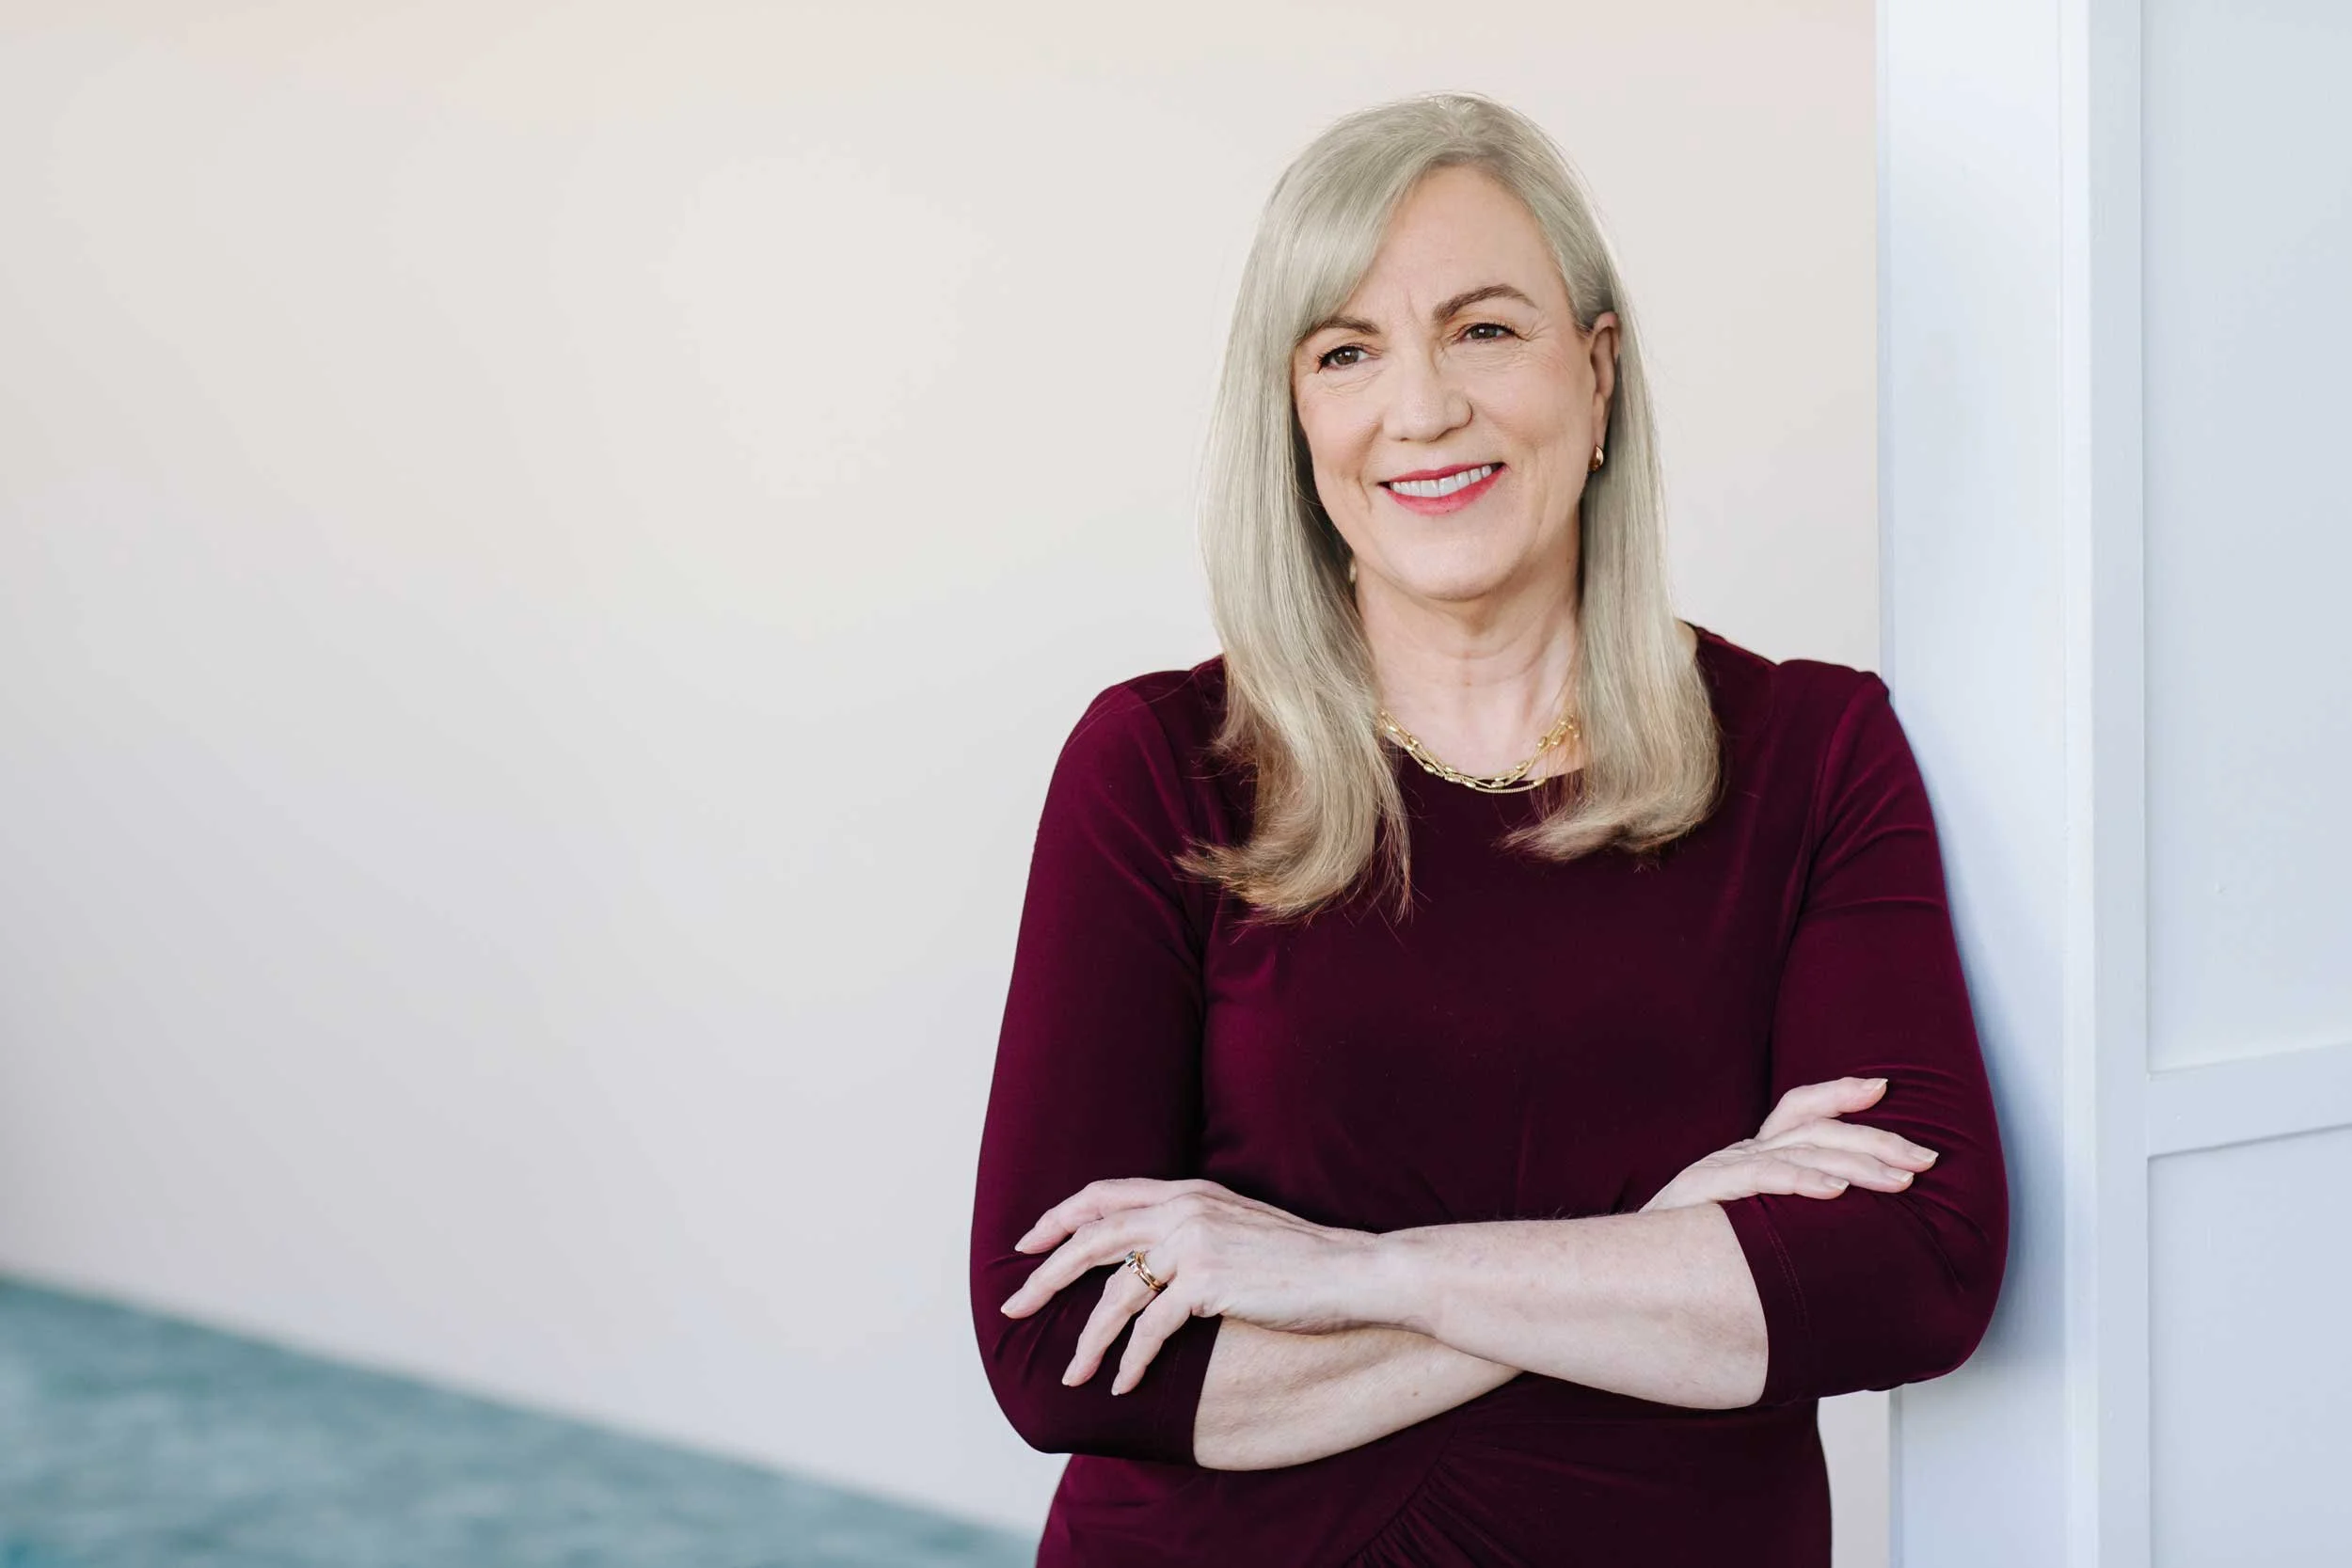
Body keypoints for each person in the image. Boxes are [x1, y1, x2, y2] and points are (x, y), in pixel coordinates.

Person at [966, 90, 2008, 1567]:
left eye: (1484, 329)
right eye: (1345, 351)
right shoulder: (1158, 768)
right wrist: (1658, 1245)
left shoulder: (1813, 752)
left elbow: (1917, 1269)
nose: (1423, 405)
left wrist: (1342, 1278)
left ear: (1597, 374)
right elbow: (1065, 1345)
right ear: (1299, 422)